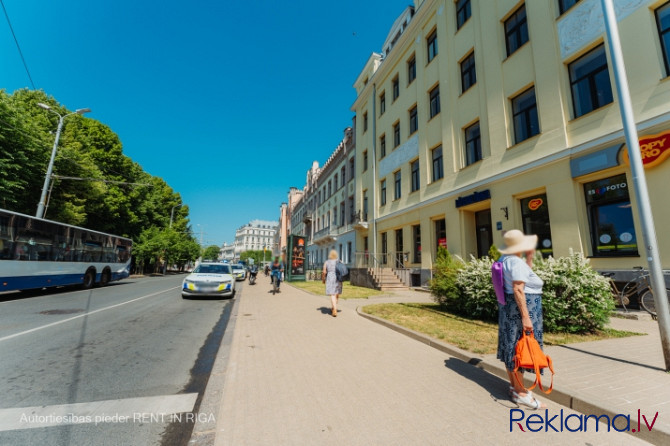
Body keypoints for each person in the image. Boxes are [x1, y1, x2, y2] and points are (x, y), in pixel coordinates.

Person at [496, 229, 547, 410]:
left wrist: (529, 260)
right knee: (521, 348)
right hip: (522, 310)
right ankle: (522, 393)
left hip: (509, 309)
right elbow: (518, 289)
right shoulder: (515, 262)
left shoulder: (505, 260)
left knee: (512, 347)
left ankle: (515, 387)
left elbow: (521, 279)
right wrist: (526, 317)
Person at [322, 250, 343, 317]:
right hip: (338, 278)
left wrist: (323, 279)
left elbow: (324, 272)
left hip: (330, 278)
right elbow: (343, 269)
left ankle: (334, 309)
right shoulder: (339, 261)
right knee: (336, 293)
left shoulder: (327, 262)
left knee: (332, 294)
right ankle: (334, 307)